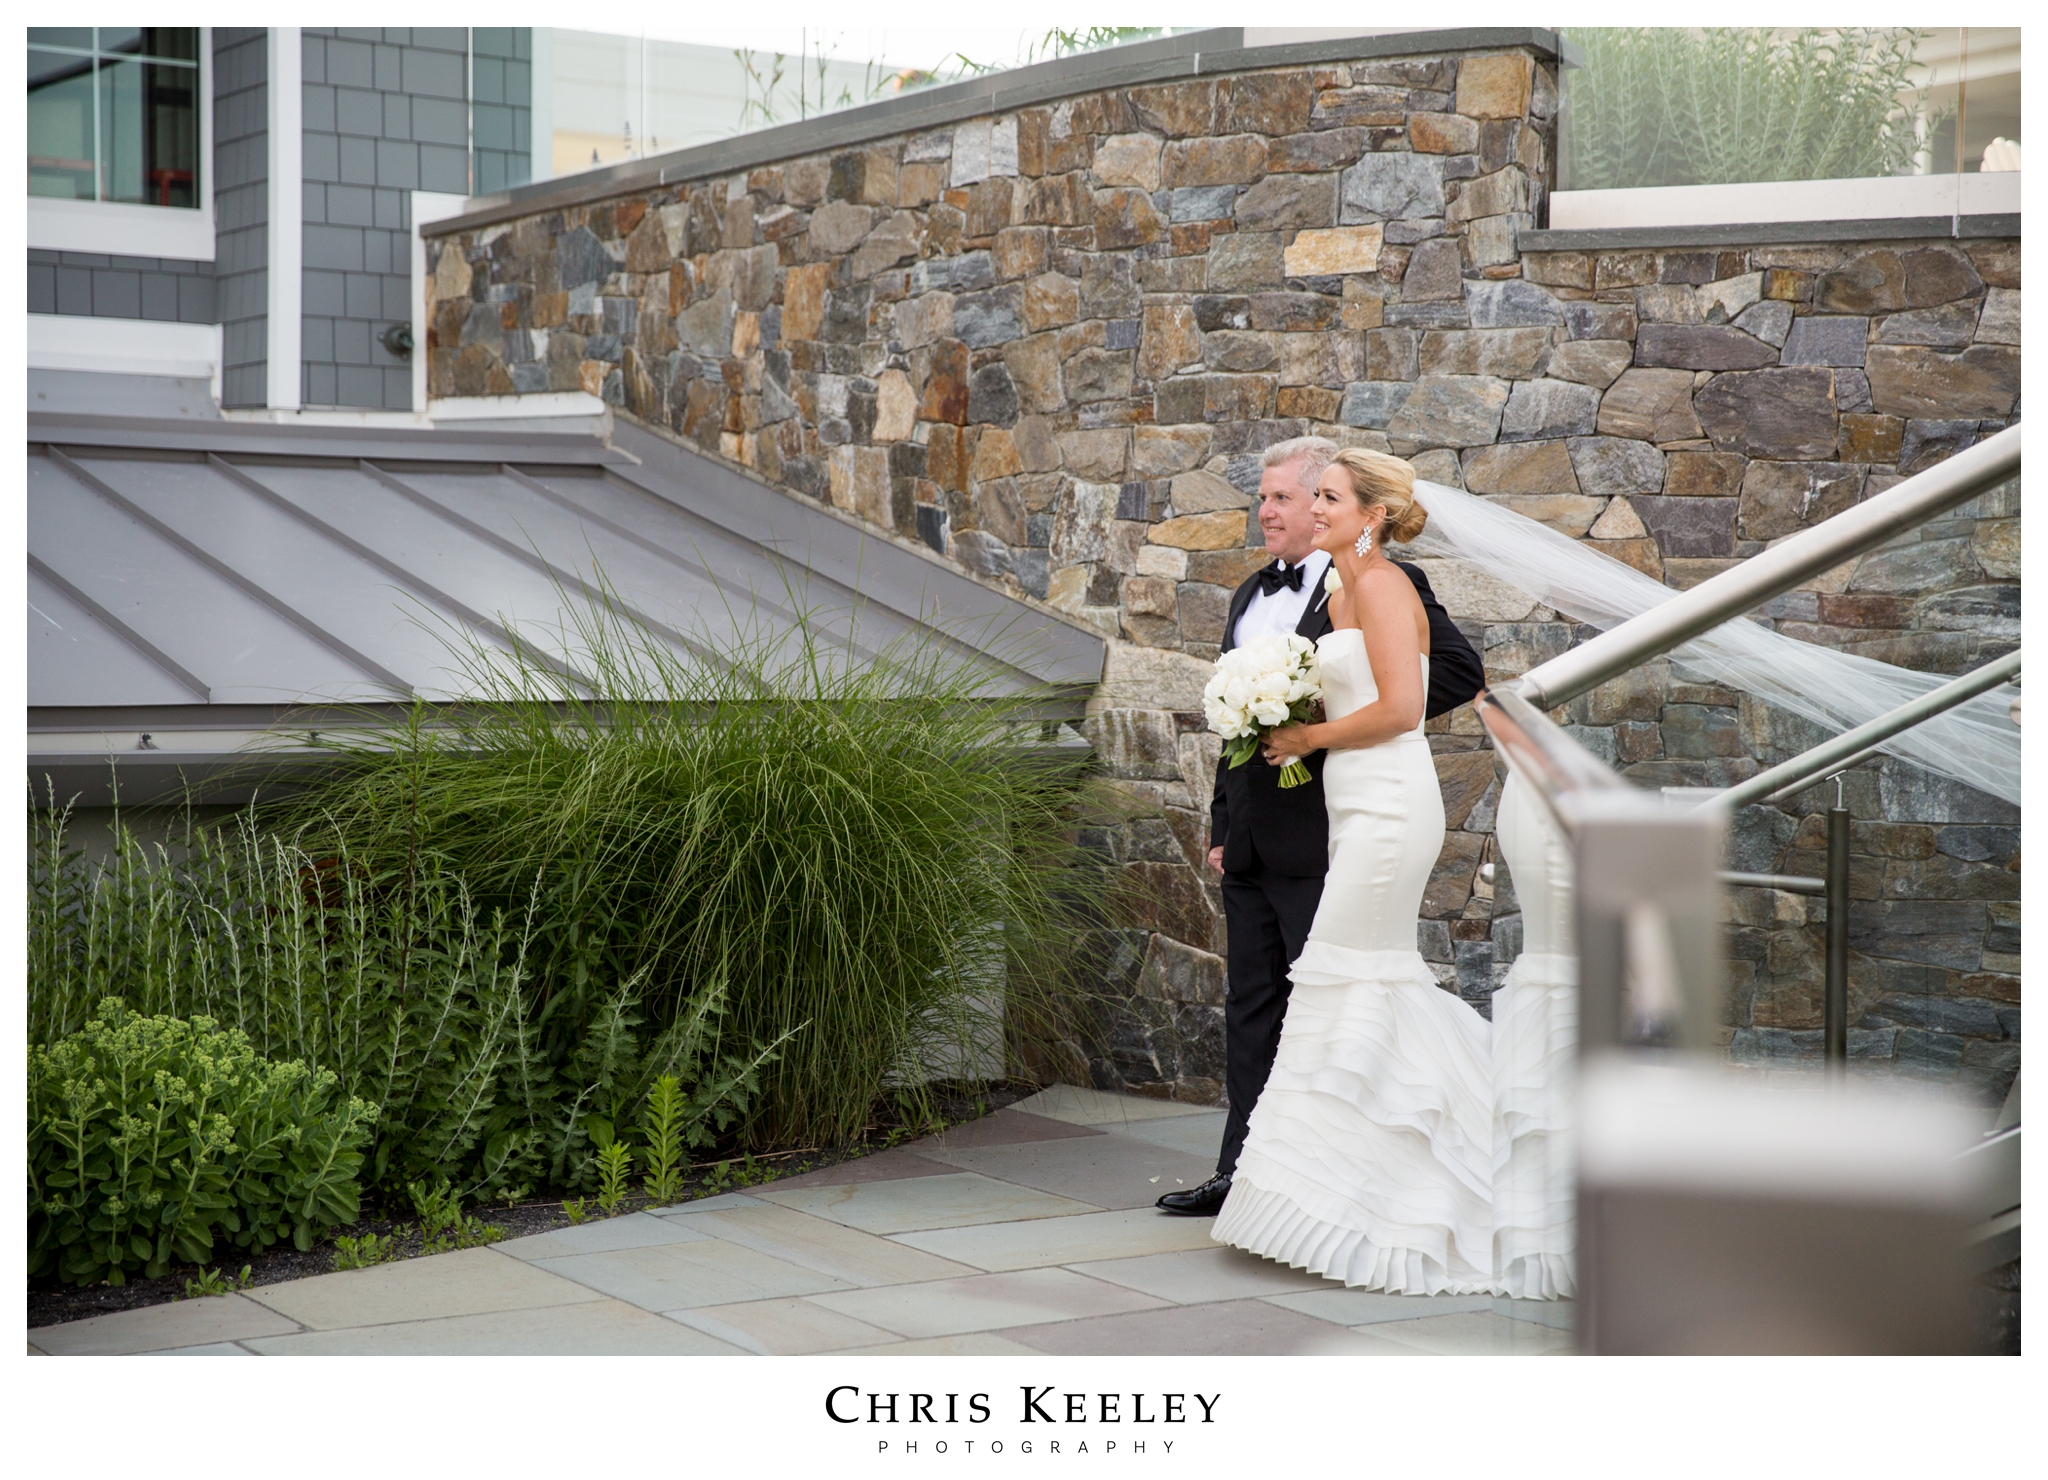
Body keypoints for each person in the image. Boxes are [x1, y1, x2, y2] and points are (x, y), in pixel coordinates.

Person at [1155, 437, 1482, 1220]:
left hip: (1337, 828)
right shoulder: (1247, 595)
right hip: (1254, 839)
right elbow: (1234, 720)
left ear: (1329, 507)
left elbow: (1456, 675)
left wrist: (1324, 726)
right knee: (1253, 1009)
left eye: (1283, 498)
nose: (1266, 512)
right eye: (1262, 499)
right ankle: (1243, 1173)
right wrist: (1224, 820)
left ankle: (1374, 1172)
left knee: (1336, 1002)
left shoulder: (1380, 581)